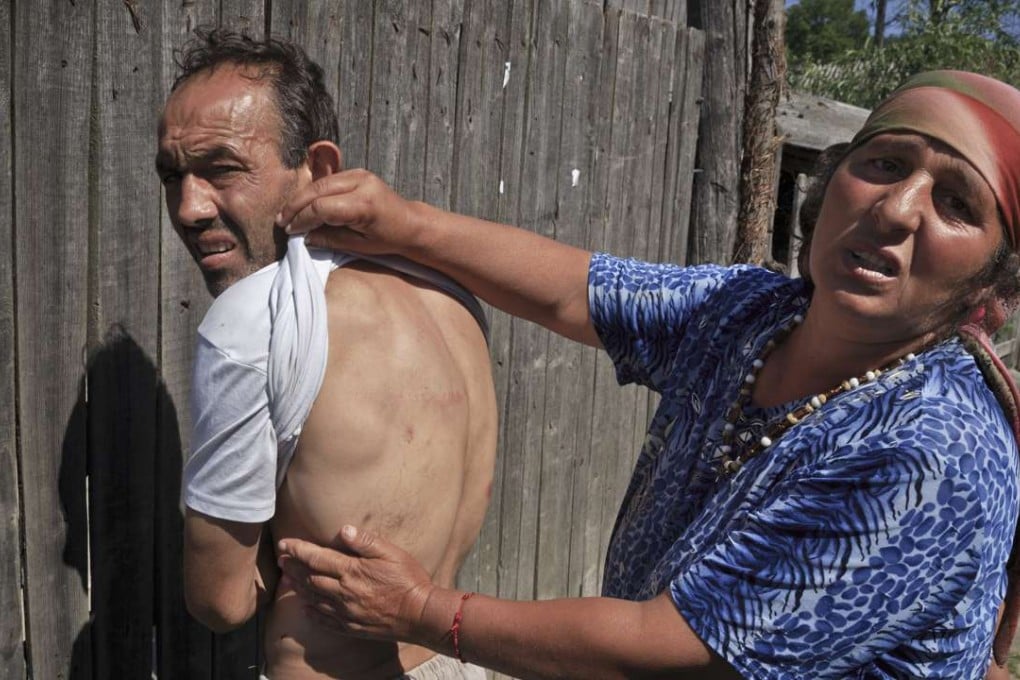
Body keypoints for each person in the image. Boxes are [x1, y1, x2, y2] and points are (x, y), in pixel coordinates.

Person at [274, 70, 1020, 679]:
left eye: (957, 203)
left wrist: (422, 612)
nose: (897, 209)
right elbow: (579, 292)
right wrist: (405, 225)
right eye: (884, 164)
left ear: (992, 277)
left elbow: (671, 653)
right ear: (833, 184)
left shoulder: (932, 447)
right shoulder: (755, 314)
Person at [156, 29, 497, 679]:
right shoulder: (452, 296)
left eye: (222, 169)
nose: (189, 207)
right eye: (173, 176)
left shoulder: (255, 317)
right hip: (453, 662)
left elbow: (220, 600)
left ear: (317, 168)